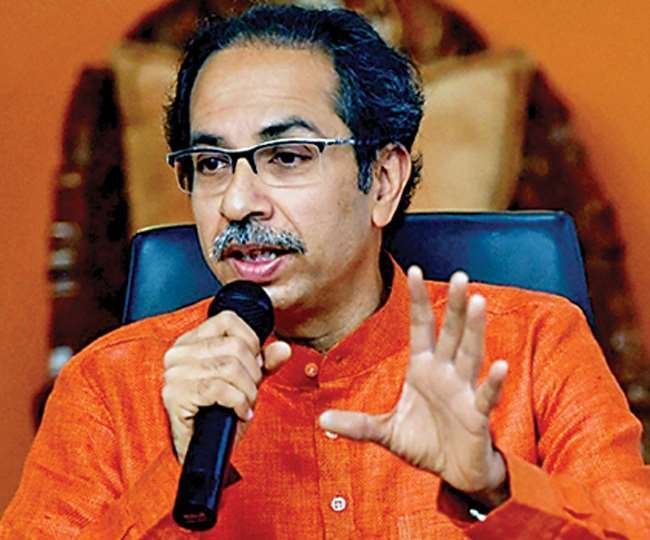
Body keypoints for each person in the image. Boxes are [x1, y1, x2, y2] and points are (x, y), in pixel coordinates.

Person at [2, 4, 649, 538]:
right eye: (211, 163)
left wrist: (494, 488)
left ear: (383, 181)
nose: (236, 202)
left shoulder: (536, 346)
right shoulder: (108, 386)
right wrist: (173, 471)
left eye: (286, 156)